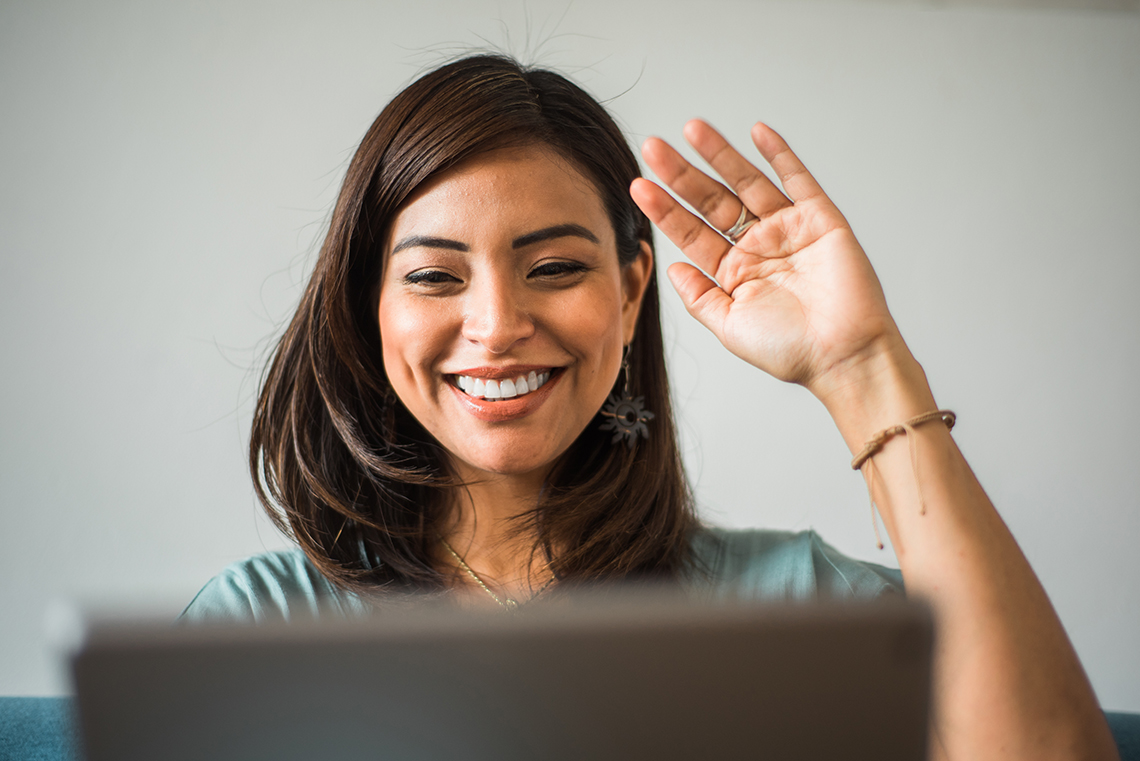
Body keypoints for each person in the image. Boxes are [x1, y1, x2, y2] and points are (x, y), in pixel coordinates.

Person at [181, 55, 1118, 759]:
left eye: (555, 267)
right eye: (434, 275)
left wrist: (864, 365)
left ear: (631, 293)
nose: (497, 325)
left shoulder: (795, 608)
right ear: (370, 308)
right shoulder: (260, 624)